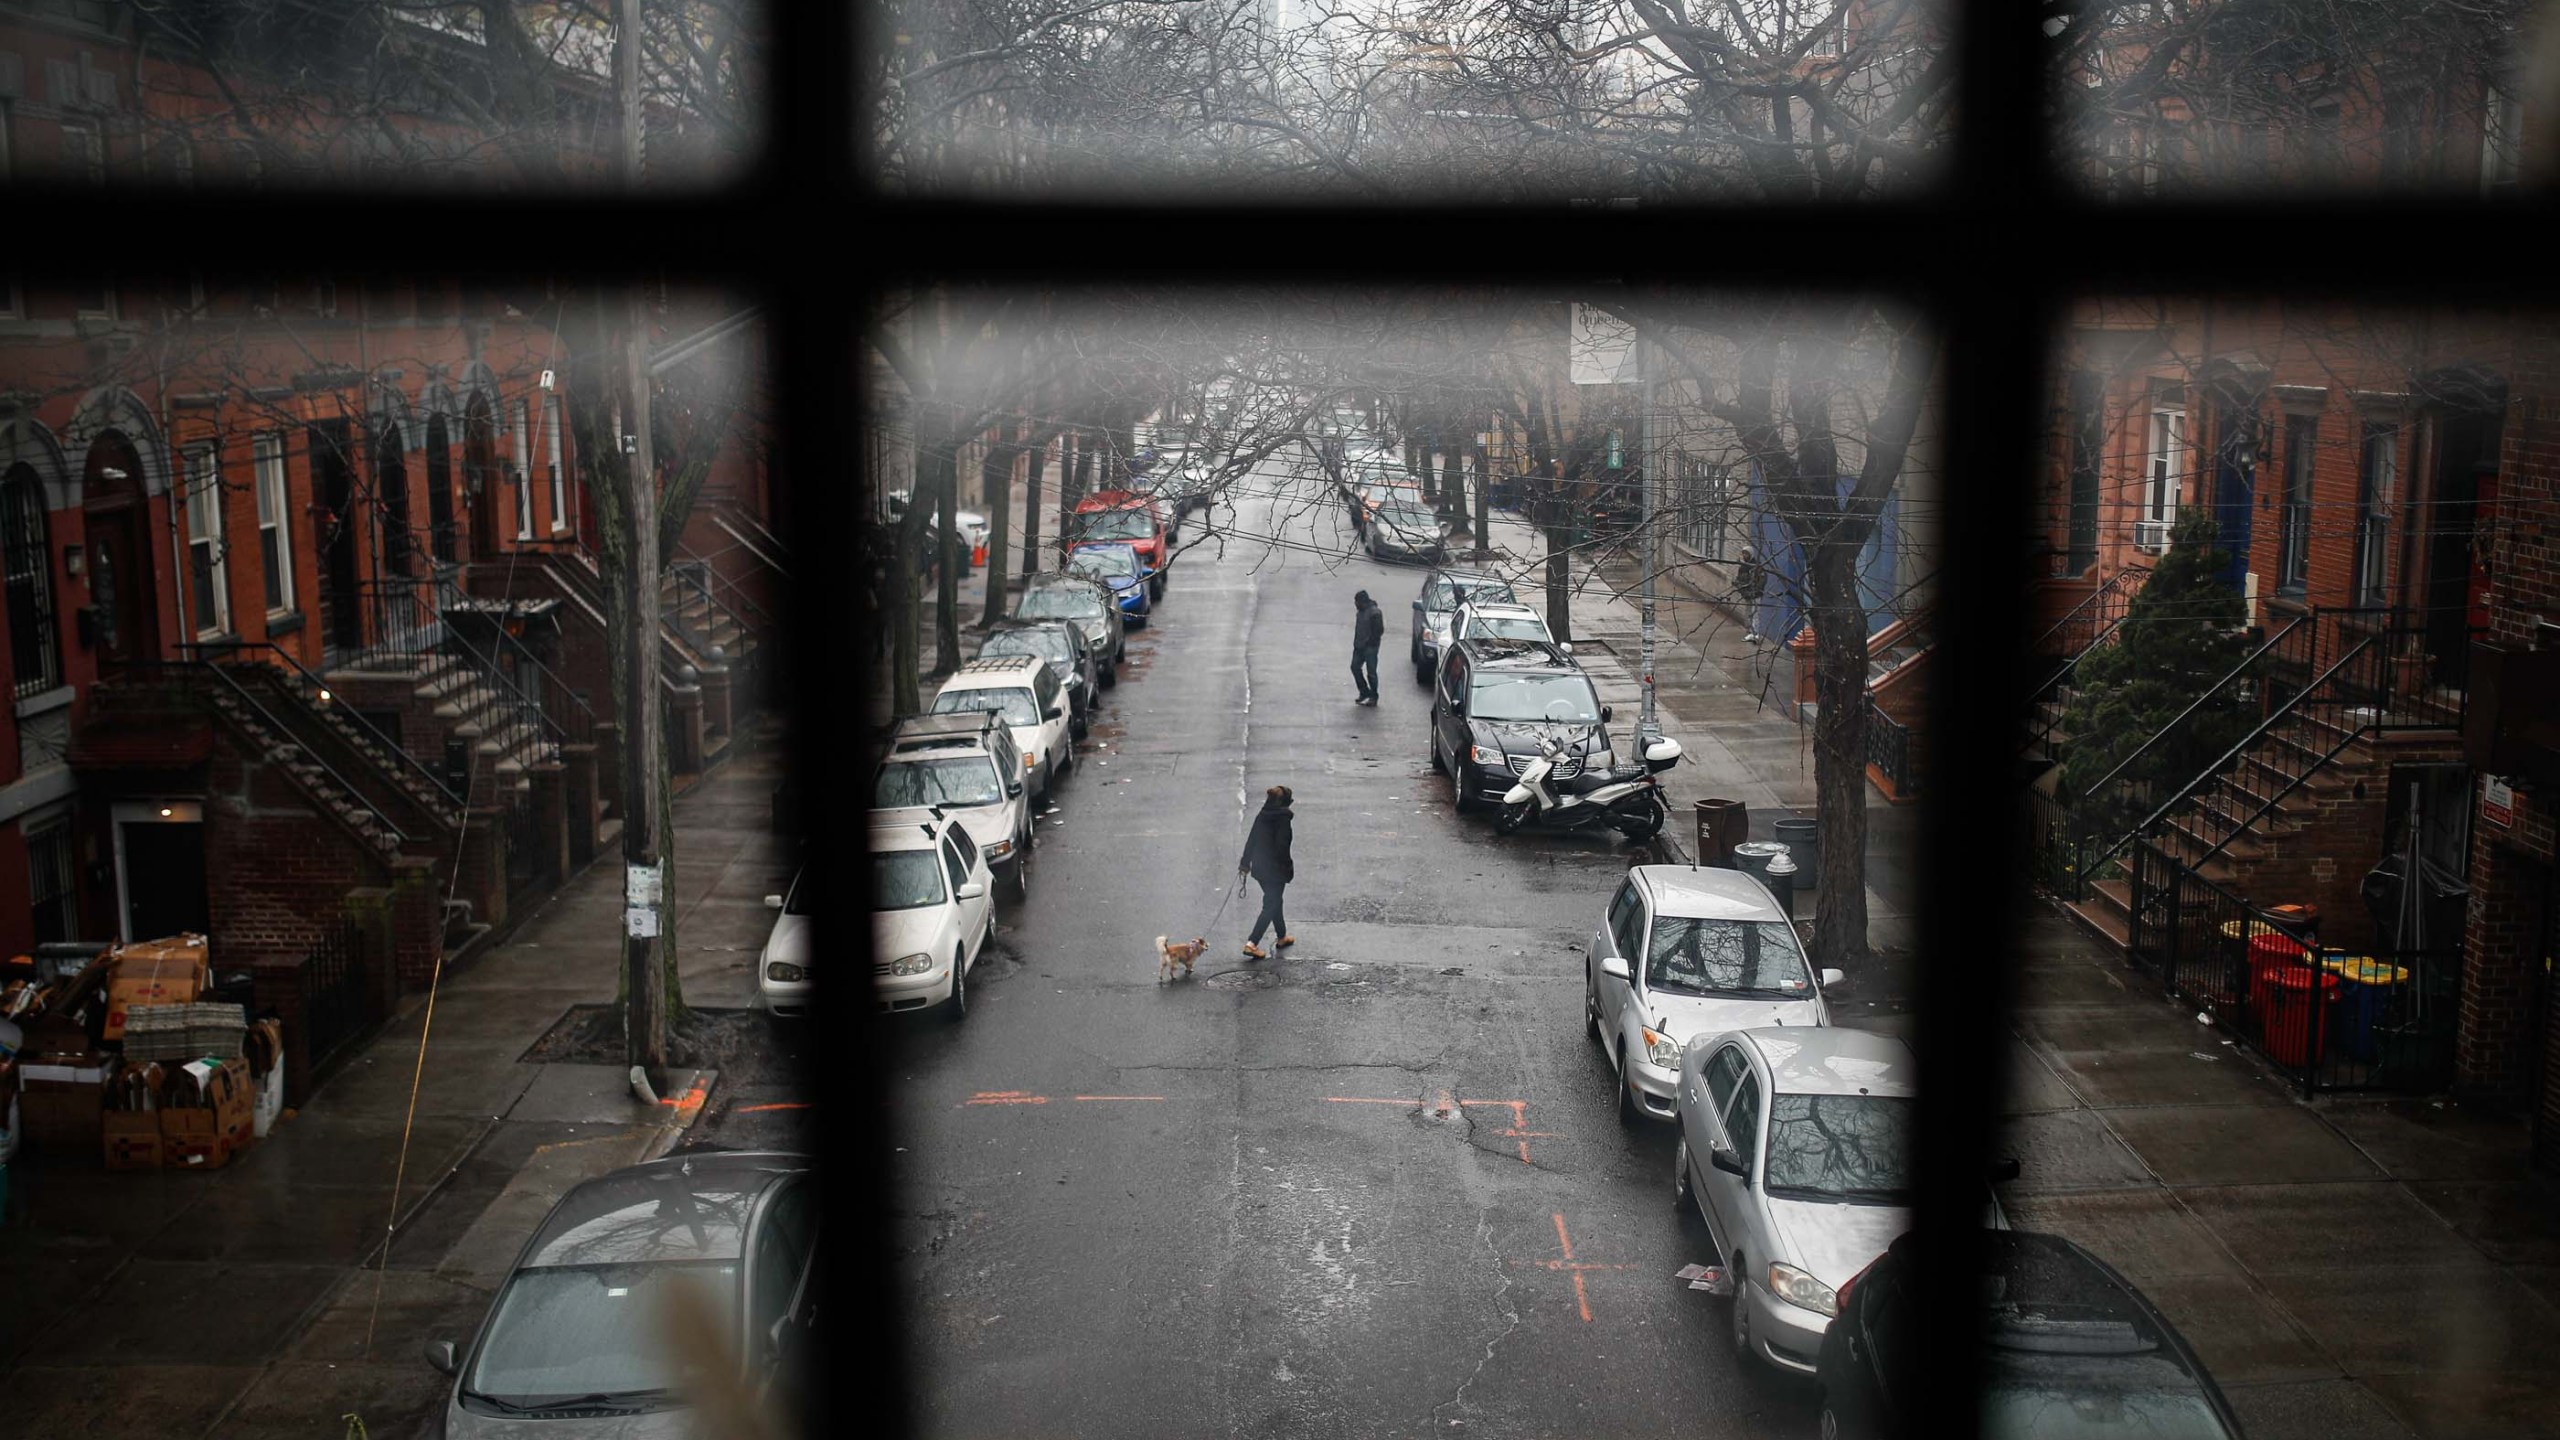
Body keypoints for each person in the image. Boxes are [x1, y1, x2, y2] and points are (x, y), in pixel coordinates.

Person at [1237, 785, 1296, 958]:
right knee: (1271, 904)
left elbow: (1252, 839)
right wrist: (1287, 870)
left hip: (1260, 868)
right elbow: (1282, 848)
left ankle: (1282, 936)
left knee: (1275, 900)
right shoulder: (1283, 819)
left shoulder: (1262, 815)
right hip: (1275, 870)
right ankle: (1252, 943)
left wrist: (1245, 864)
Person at [1350, 589, 1383, 704]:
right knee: (1354, 667)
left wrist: (1369, 643)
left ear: (1362, 602)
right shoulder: (1360, 612)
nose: (1355, 604)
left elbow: (1378, 631)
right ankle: (1364, 691)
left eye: (1356, 602)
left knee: (1371, 673)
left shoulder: (1375, 613)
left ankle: (1373, 696)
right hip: (1359, 646)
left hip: (1370, 648)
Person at [1734, 546, 1765, 645]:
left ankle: (1755, 634)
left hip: (1756, 594)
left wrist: (1756, 590)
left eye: (1746, 553)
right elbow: (1739, 579)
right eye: (1743, 553)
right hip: (1747, 595)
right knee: (1748, 614)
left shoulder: (1757, 566)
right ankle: (1750, 632)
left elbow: (1762, 580)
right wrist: (1738, 585)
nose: (1744, 555)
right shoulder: (1743, 567)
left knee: (1755, 614)